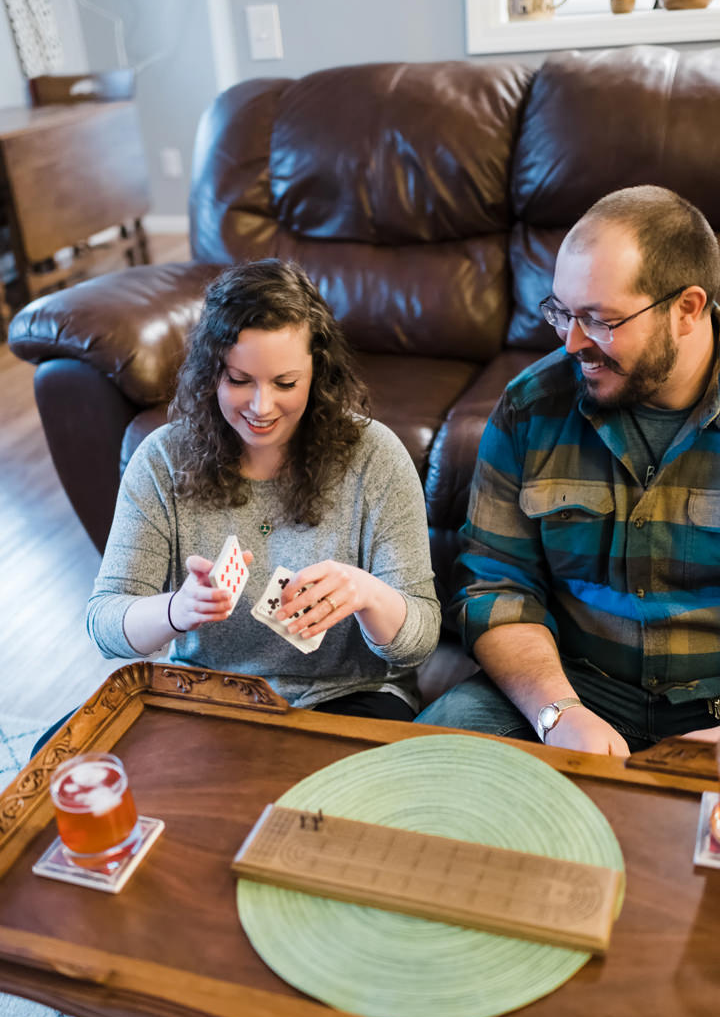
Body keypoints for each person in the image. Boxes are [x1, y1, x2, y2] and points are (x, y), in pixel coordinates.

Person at [416, 185, 720, 755]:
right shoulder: (533, 406)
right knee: (424, 766)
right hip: (573, 687)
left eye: (600, 320)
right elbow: (495, 586)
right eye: (562, 312)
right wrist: (559, 713)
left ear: (688, 309)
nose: (572, 342)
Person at [84, 259, 440, 721]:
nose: (261, 406)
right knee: (61, 760)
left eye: (285, 383)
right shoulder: (163, 459)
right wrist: (176, 609)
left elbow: (420, 641)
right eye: (238, 380)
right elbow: (104, 624)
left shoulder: (374, 457)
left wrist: (367, 593)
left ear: (318, 374)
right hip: (211, 696)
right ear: (211, 373)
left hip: (349, 694)